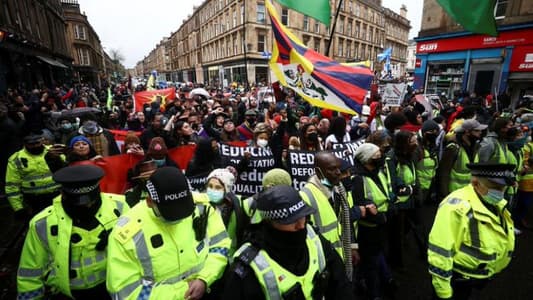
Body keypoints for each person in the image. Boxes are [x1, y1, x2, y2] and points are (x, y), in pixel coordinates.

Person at [106, 167, 231, 300]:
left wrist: (204, 279)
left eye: (183, 209)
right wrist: (182, 292)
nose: (180, 218)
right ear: (150, 202)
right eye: (171, 213)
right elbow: (126, 293)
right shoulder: (126, 234)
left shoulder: (202, 207)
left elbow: (220, 246)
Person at [222, 185, 354, 300]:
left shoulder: (313, 238)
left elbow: (341, 285)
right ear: (270, 223)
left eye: (303, 216)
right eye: (291, 221)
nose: (301, 226)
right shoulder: (249, 265)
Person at [17, 165, 128, 299]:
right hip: (68, 295)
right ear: (62, 194)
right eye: (77, 203)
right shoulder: (42, 223)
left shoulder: (119, 205)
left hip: (112, 288)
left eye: (90, 201)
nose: (86, 206)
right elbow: (30, 273)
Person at [428, 163, 516, 300]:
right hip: (457, 280)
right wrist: (443, 293)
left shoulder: (492, 202)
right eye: (496, 188)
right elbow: (440, 253)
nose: (500, 192)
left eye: (502, 187)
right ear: (475, 183)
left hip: (475, 278)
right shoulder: (455, 207)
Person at [299, 152, 354, 280]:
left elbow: (343, 222)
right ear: (318, 172)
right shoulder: (306, 196)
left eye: (338, 168)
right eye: (332, 169)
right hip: (322, 261)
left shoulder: (338, 189)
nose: (338, 172)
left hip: (340, 256)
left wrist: (351, 246)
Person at [5, 131, 63, 218]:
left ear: (42, 140)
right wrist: (18, 208)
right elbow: (12, 185)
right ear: (24, 144)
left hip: (58, 196)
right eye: (31, 144)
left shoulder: (54, 151)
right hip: (34, 201)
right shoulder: (16, 159)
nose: (35, 146)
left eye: (37, 143)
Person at [437, 120, 486, 200]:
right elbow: (443, 173)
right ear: (467, 132)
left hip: (471, 193)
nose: (480, 133)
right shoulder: (453, 148)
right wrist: (445, 196)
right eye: (476, 130)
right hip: (455, 194)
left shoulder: (475, 146)